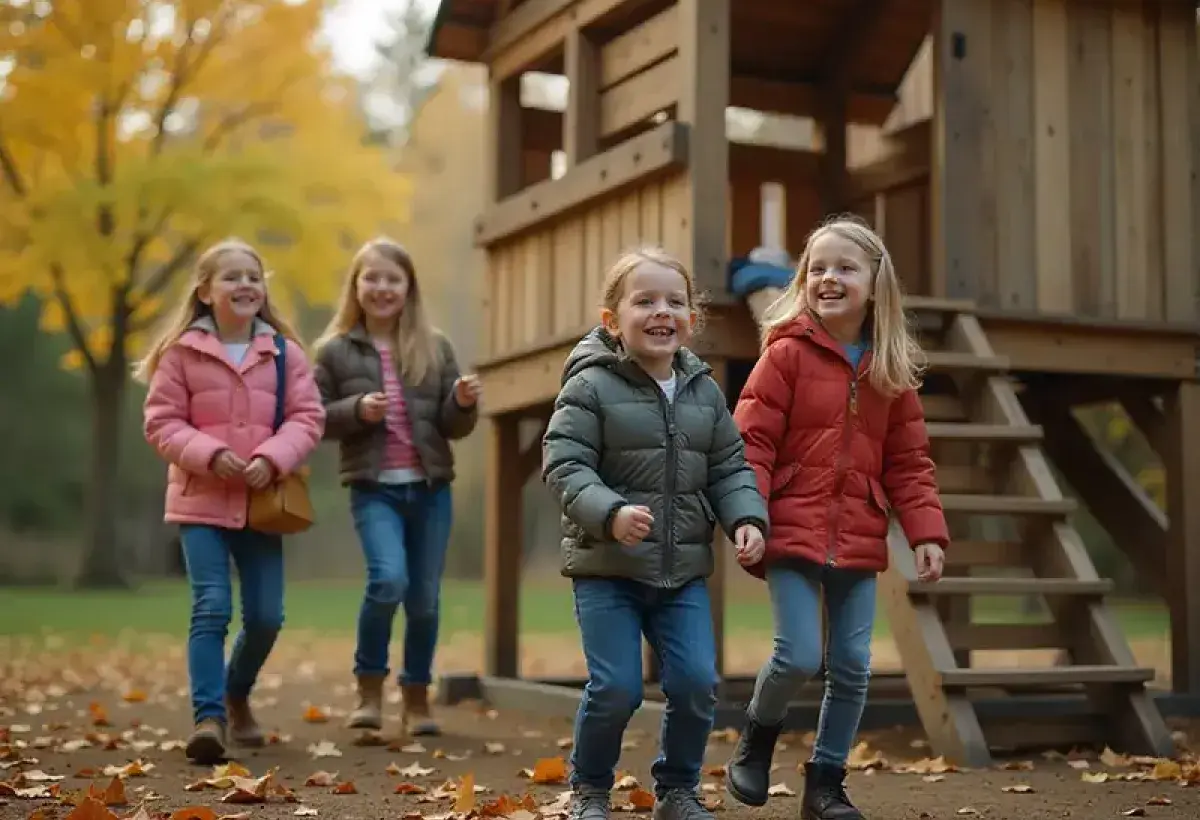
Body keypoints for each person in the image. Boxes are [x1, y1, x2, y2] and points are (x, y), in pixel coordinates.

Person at [724, 216, 949, 820]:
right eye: (817, 267)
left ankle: (825, 786)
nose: (828, 277)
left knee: (852, 668)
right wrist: (748, 514)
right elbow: (752, 446)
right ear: (802, 280)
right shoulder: (786, 356)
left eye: (845, 267)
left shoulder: (891, 371)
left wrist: (924, 533)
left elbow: (910, 462)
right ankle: (757, 737)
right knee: (798, 655)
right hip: (790, 526)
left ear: (875, 285)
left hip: (859, 533)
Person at [541, 246, 769, 820]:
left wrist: (745, 518)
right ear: (612, 321)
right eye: (644, 301)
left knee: (695, 683)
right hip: (607, 570)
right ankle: (590, 788)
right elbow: (565, 463)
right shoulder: (590, 385)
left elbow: (728, 467)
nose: (661, 311)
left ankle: (677, 790)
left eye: (675, 301)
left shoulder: (703, 391)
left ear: (692, 319)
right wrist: (610, 512)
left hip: (683, 573)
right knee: (615, 688)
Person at [138, 238, 325, 764]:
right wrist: (208, 452)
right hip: (200, 502)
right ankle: (209, 719)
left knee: (266, 616)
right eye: (231, 277)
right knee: (211, 608)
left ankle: (236, 691)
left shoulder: (286, 354)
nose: (245, 284)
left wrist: (273, 457)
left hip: (265, 505)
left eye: (253, 276)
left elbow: (307, 418)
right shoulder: (181, 354)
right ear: (204, 291)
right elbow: (160, 422)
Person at [313, 237, 481, 737]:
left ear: (409, 288)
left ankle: (415, 697)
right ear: (356, 286)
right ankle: (369, 689)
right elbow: (315, 419)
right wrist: (355, 411)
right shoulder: (335, 351)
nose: (383, 288)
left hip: (430, 490)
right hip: (374, 488)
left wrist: (463, 401)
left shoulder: (435, 346)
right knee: (388, 581)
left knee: (425, 599)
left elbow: (453, 428)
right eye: (373, 278)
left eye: (393, 279)